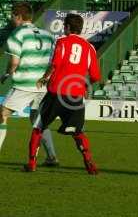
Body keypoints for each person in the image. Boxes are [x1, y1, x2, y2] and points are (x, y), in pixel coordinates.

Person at [23, 13, 101, 174]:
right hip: (75, 96)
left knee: (38, 126)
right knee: (78, 131)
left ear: (67, 27)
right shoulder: (90, 47)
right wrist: (85, 87)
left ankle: (31, 163)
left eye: (64, 26)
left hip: (56, 92)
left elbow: (55, 63)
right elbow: (95, 76)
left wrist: (44, 78)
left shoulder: (61, 42)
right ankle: (89, 162)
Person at [0, 2, 59, 166]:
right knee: (38, 120)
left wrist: (6, 74)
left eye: (12, 15)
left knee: (2, 115)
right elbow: (52, 62)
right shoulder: (47, 35)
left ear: (17, 16)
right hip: (43, 85)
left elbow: (14, 62)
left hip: (24, 85)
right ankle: (52, 157)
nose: (11, 19)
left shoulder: (17, 34)